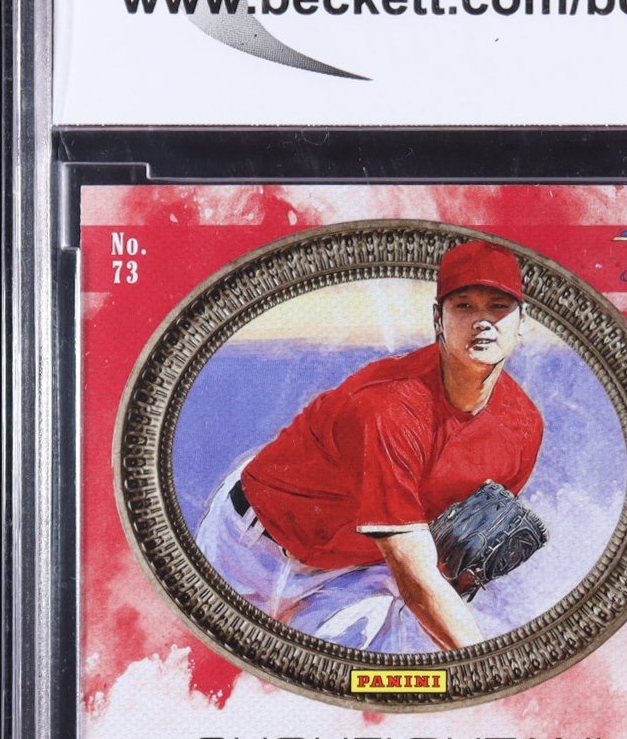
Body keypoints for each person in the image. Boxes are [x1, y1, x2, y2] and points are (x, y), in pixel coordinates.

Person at [195, 240, 544, 653]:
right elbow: (416, 579)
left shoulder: (521, 430)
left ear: (523, 320)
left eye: (499, 307)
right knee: (199, 673)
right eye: (464, 306)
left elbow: (445, 558)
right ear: (438, 318)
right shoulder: (390, 407)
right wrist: (483, 669)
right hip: (247, 549)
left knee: (351, 687)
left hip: (353, 578)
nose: (482, 321)